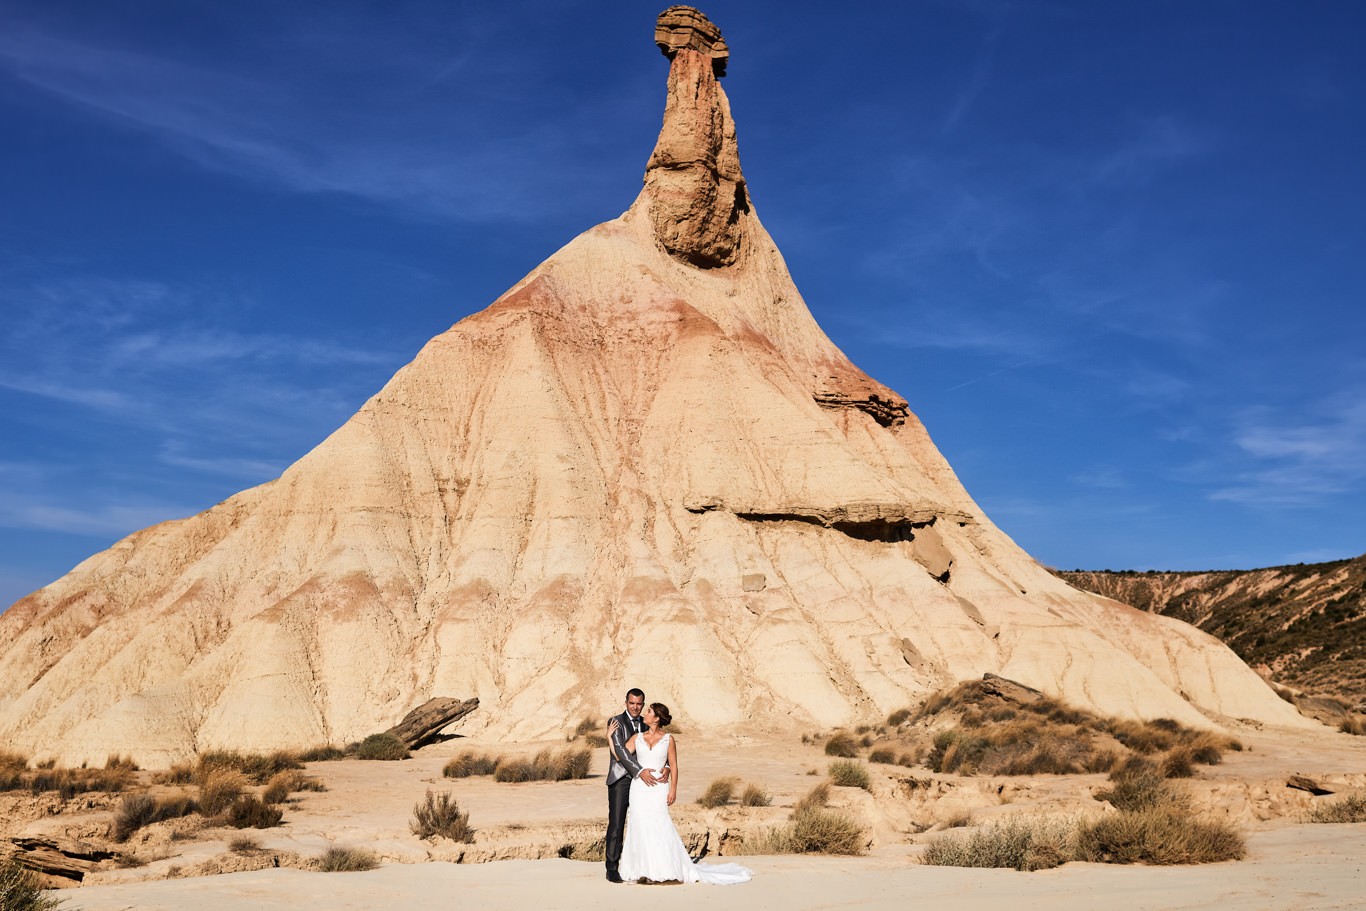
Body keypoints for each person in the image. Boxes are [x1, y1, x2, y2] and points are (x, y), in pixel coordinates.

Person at [610, 702, 752, 885]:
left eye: (649, 711)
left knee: (660, 824)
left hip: (658, 788)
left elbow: (674, 766)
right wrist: (609, 737)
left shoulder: (668, 739)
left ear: (657, 718)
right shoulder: (637, 737)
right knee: (638, 825)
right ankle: (642, 870)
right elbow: (619, 756)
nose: (644, 713)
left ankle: (661, 869)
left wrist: (673, 789)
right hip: (639, 788)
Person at [604, 688, 668, 883]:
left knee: (642, 823)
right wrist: (640, 771)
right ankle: (612, 868)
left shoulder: (646, 722)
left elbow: (656, 747)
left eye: (639, 704)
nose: (635, 707)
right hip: (621, 779)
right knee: (617, 822)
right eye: (631, 703)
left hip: (642, 783)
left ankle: (643, 865)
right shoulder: (616, 722)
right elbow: (621, 753)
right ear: (626, 703)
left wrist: (665, 765)